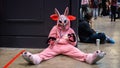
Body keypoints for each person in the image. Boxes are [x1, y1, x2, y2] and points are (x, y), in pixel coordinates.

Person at [22, 7, 106, 65]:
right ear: (58, 21)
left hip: (67, 46)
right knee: (45, 53)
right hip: (56, 46)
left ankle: (91, 58)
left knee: (79, 53)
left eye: (64, 22)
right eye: (60, 22)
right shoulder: (55, 28)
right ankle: (35, 59)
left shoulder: (70, 30)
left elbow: (73, 43)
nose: (62, 24)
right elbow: (50, 39)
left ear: (68, 21)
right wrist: (53, 41)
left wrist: (70, 39)